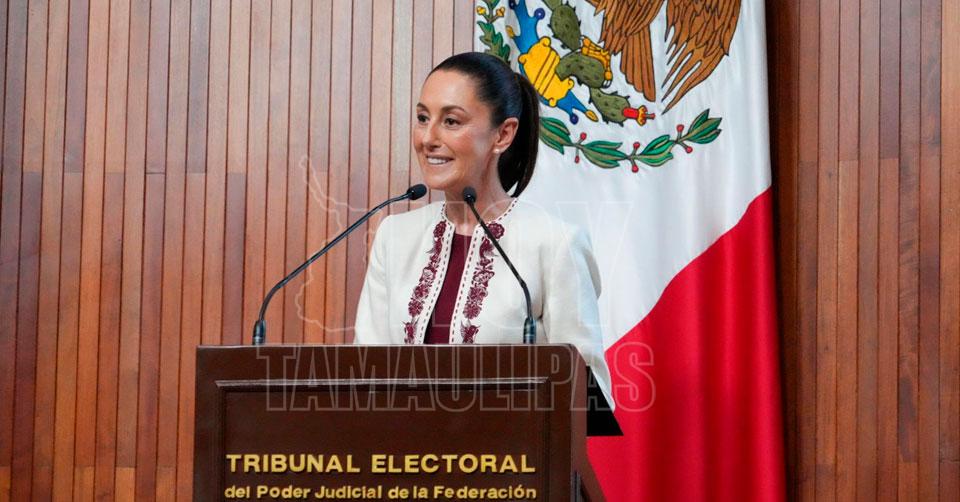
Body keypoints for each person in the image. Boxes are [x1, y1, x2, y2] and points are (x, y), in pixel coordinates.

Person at [354, 52, 612, 405]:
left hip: (516, 442)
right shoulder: (395, 236)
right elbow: (366, 376)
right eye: (422, 118)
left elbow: (587, 396)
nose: (427, 137)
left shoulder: (555, 243)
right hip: (404, 441)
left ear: (503, 134)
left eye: (451, 121)